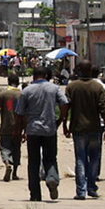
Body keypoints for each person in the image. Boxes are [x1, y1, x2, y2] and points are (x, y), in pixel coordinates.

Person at [15, 65, 69, 201]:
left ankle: (35, 194)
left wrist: (19, 130)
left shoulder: (26, 91)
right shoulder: (54, 88)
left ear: (33, 76)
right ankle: (52, 178)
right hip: (50, 129)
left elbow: (19, 114)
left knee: (33, 162)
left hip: (32, 130)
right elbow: (64, 103)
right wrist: (60, 120)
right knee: (50, 158)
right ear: (46, 76)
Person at [64, 60, 105, 200]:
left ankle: (81, 191)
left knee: (80, 159)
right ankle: (91, 187)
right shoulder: (98, 87)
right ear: (91, 70)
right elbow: (104, 109)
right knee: (94, 158)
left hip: (78, 128)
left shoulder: (72, 87)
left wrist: (65, 124)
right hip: (95, 127)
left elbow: (66, 107)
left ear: (78, 70)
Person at [0, 73, 23, 182]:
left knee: (5, 147)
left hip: (6, 126)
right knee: (16, 149)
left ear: (8, 82)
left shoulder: (3, 94)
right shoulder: (22, 94)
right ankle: (14, 173)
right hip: (18, 127)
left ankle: (7, 164)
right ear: (18, 82)